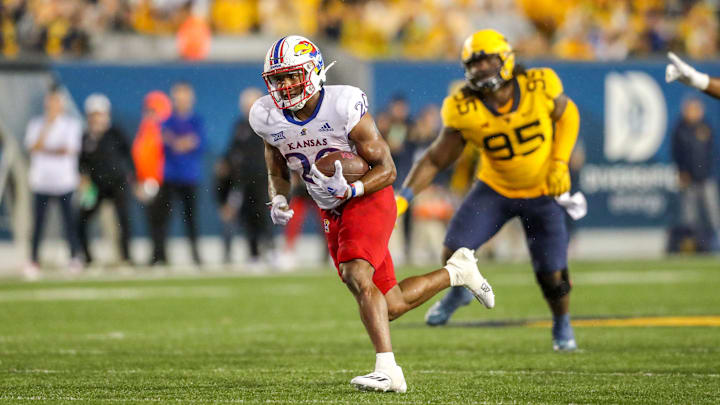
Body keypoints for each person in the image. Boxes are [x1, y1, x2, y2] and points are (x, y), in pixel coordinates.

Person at [249, 35, 495, 393]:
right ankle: (458, 271)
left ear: (314, 71)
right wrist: (281, 199)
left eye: (291, 76)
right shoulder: (267, 117)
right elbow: (277, 171)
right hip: (331, 208)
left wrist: (354, 188)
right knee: (390, 302)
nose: (284, 86)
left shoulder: (342, 105)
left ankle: (388, 370)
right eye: (278, 78)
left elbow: (388, 169)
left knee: (356, 272)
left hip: (369, 195)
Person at [396, 29, 581, 351]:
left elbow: (568, 115)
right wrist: (404, 197)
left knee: (553, 274)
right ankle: (457, 291)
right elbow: (437, 157)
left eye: (487, 60)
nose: (481, 68)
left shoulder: (538, 84)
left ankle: (562, 323)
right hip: (495, 189)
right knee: (452, 249)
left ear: (506, 58)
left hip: (542, 191)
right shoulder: (464, 106)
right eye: (474, 63)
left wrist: (560, 162)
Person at [23, 85, 83, 279]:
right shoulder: (36, 124)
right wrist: (47, 128)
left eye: (57, 101)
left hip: (64, 181)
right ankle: (33, 260)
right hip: (41, 181)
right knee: (38, 224)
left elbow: (68, 149)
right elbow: (33, 147)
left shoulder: (71, 124)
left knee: (69, 222)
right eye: (51, 101)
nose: (53, 105)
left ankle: (74, 257)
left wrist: (45, 148)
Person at [215, 87, 272, 265]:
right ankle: (253, 253)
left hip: (263, 178)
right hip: (244, 180)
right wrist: (225, 163)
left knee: (264, 216)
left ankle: (270, 250)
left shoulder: (268, 125)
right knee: (247, 217)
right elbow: (233, 150)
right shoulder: (240, 126)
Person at [76, 93, 134, 266]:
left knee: (123, 220)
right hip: (96, 186)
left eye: (99, 114)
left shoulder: (115, 132)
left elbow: (129, 155)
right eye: (93, 114)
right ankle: (88, 258)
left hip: (117, 184)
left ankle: (126, 258)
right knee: (81, 219)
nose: (97, 118)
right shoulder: (86, 136)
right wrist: (84, 178)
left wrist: (133, 175)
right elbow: (81, 162)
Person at [154, 82, 206, 265]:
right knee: (163, 219)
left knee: (191, 219)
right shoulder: (167, 121)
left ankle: (195, 255)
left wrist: (179, 142)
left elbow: (198, 143)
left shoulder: (196, 121)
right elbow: (164, 142)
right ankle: (159, 255)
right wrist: (183, 142)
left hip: (189, 176)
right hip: (169, 176)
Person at [671, 96, 720, 248]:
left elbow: (711, 152)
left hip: (706, 177)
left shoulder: (706, 128)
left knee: (712, 211)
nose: (693, 113)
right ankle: (692, 244)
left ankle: (715, 241)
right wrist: (681, 171)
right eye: (690, 109)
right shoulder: (680, 130)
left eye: (695, 109)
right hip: (689, 177)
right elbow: (677, 153)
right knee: (689, 214)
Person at [132, 90, 172, 264]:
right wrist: (139, 181)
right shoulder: (145, 130)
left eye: (153, 111)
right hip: (146, 182)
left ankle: (160, 255)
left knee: (160, 221)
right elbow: (139, 157)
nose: (149, 115)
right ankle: (157, 254)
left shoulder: (163, 130)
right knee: (152, 221)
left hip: (162, 181)